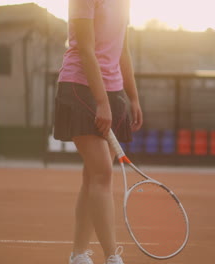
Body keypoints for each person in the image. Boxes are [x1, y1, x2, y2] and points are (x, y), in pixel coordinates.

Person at [53, 0, 143, 263]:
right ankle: (112, 257)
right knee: (102, 173)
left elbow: (122, 50)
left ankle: (79, 255)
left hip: (113, 92)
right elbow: (86, 50)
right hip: (80, 87)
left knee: (93, 177)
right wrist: (101, 102)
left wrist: (133, 97)